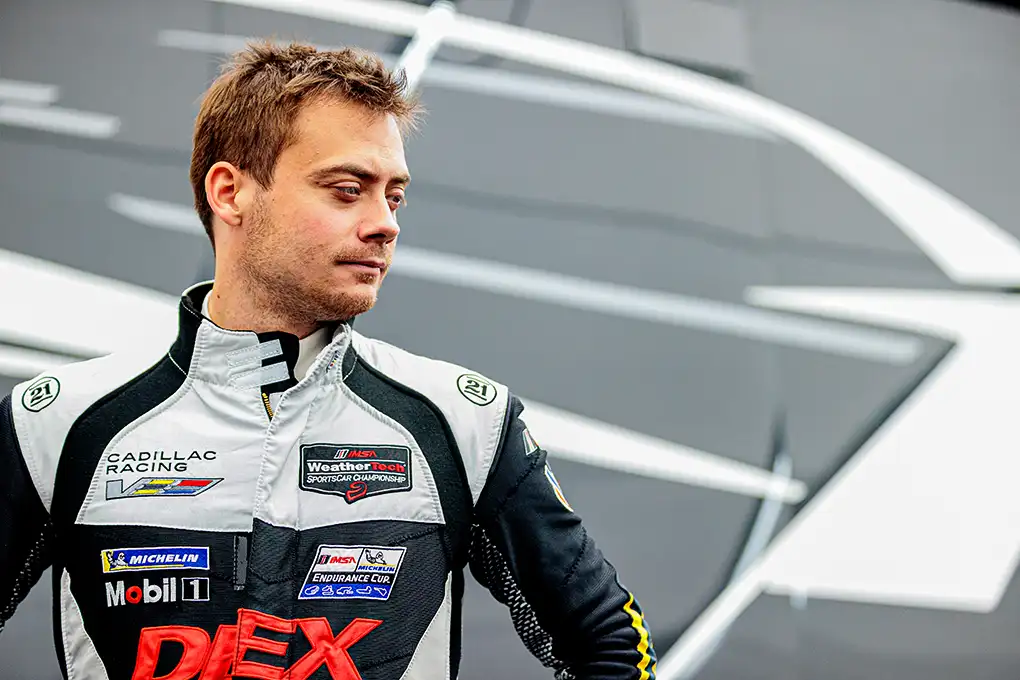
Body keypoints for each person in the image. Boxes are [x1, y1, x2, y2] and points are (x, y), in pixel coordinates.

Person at [0, 42, 657, 680]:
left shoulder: (461, 422)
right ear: (230, 192)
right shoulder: (59, 421)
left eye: (393, 196)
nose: (385, 223)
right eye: (348, 190)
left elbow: (609, 644)